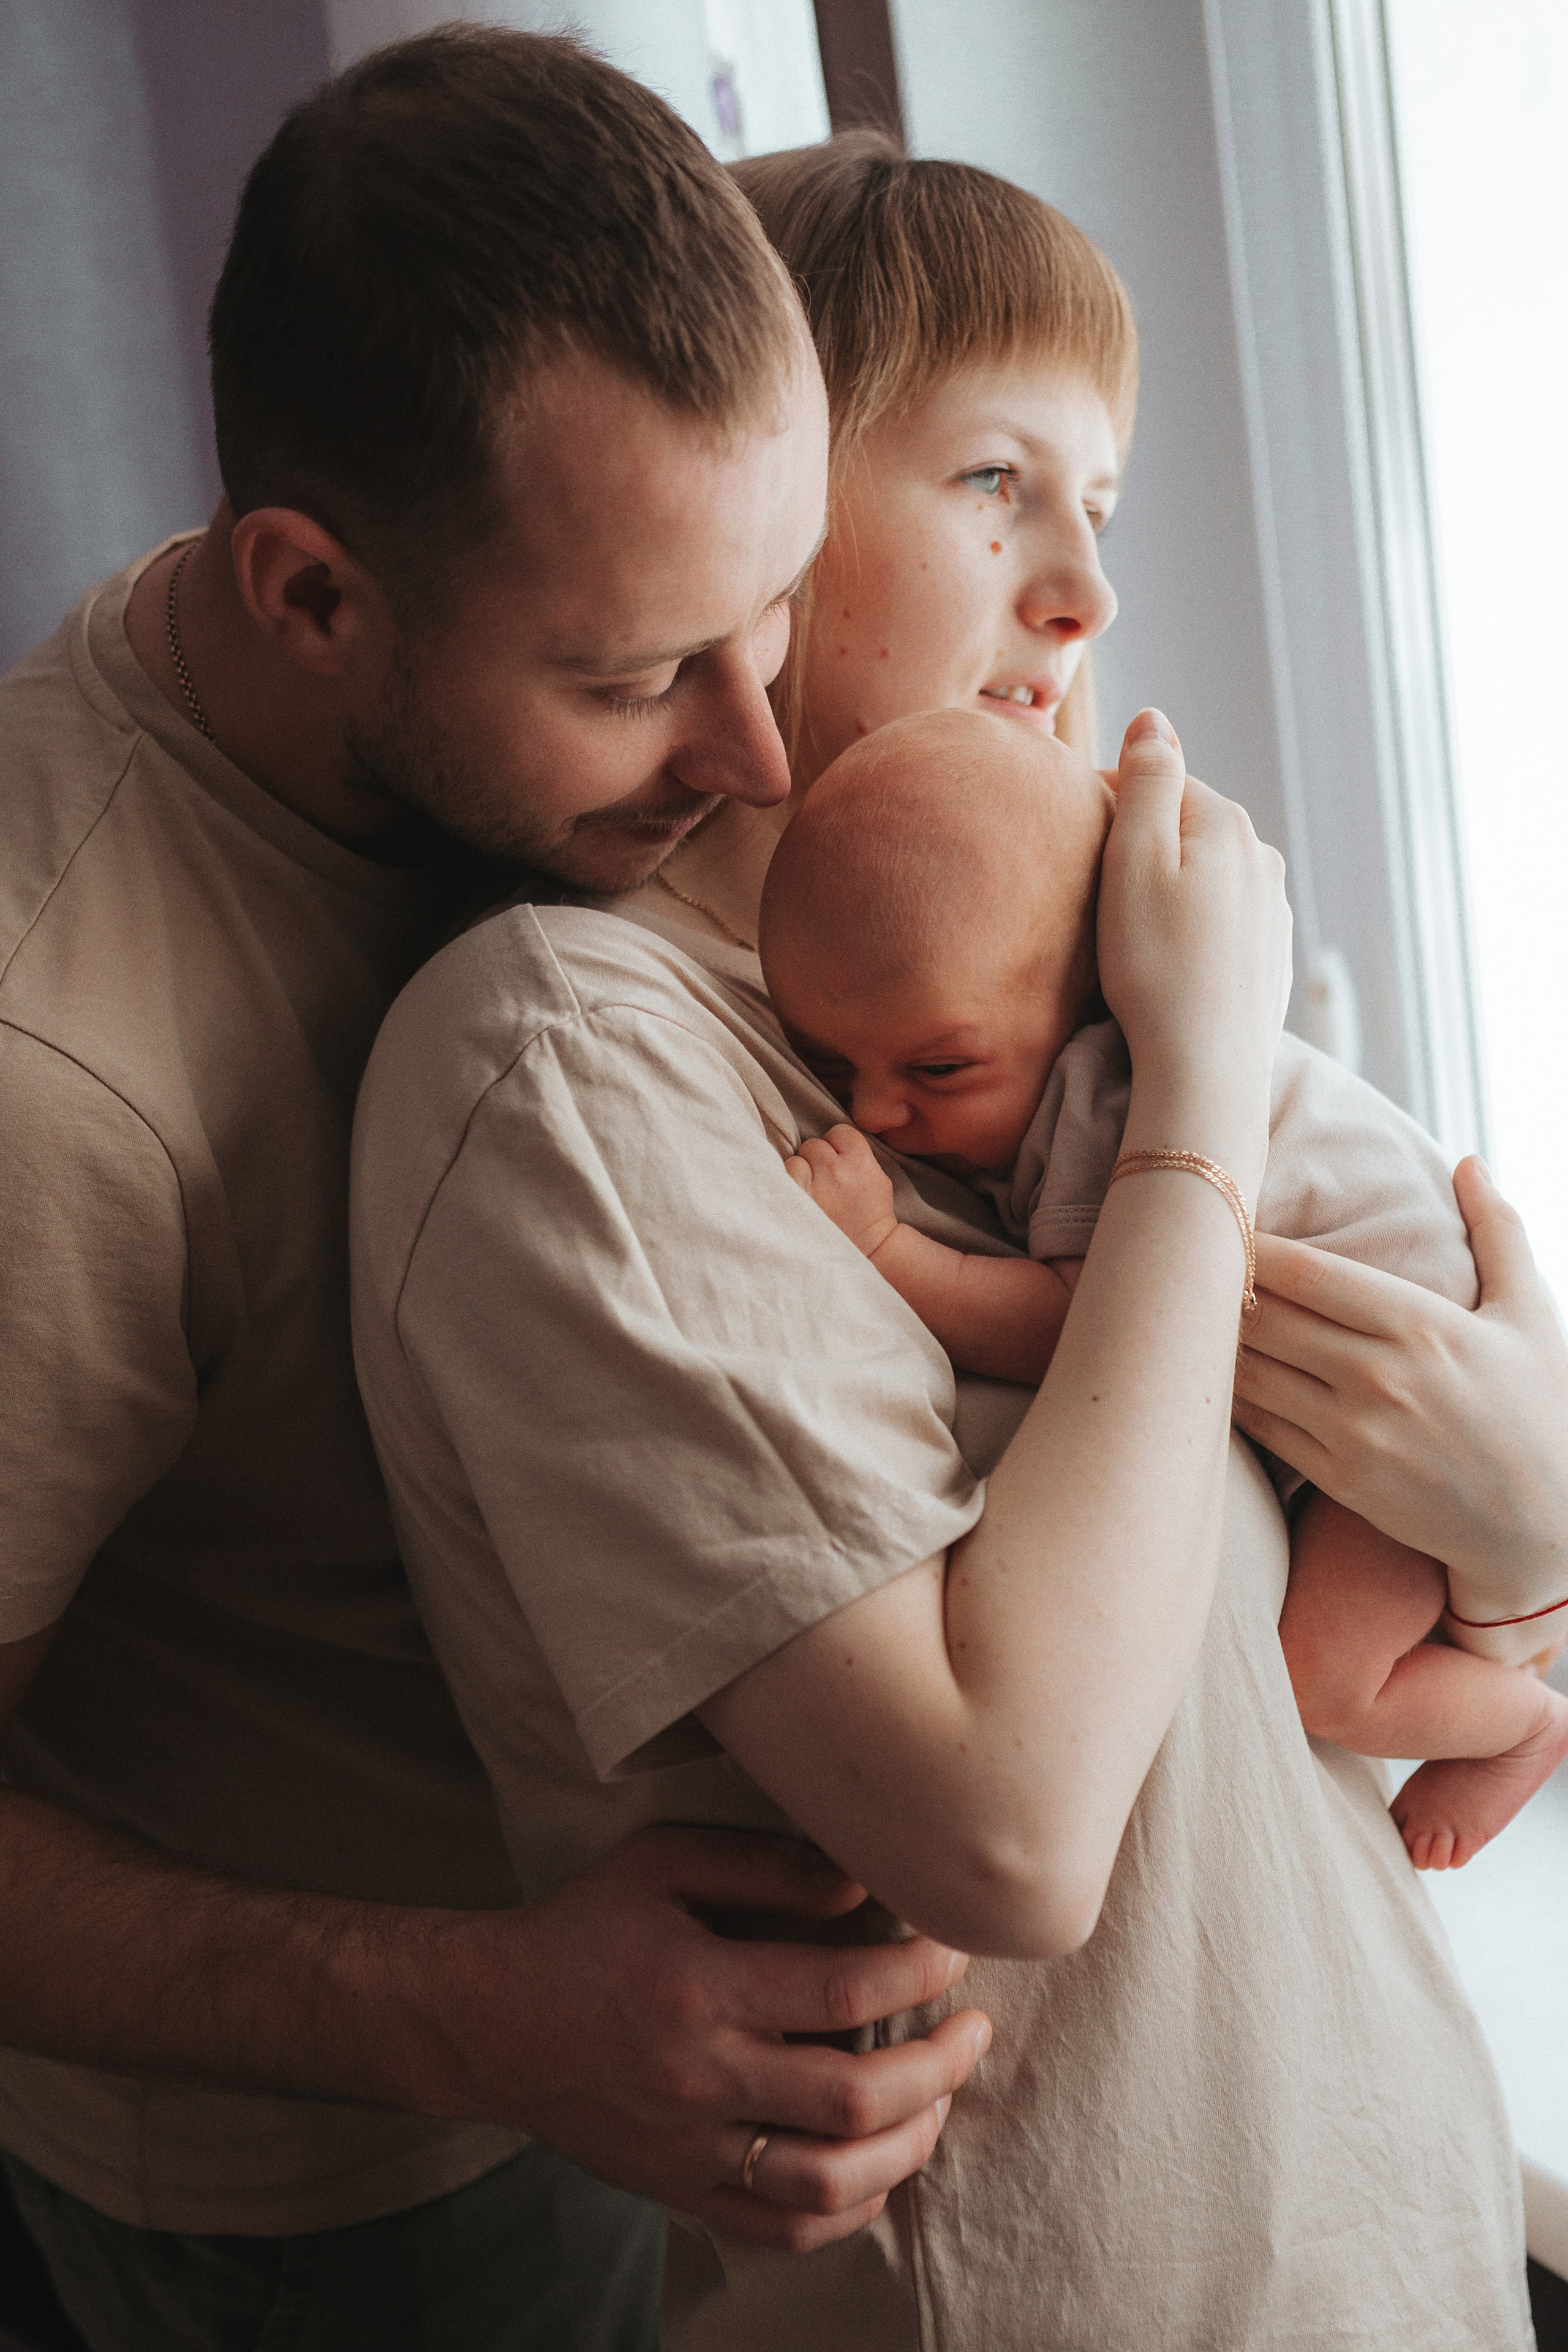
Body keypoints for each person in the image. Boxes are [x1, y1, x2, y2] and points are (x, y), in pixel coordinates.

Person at [348, 137, 1566, 2347]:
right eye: (999, 483)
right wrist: (1200, 1091)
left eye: (1101, 501)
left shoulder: (1059, 1025)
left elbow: (1289, 1667)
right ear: (762, 496)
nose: (1089, 588)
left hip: (1395, 2246)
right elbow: (1012, 1834)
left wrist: (1538, 1510)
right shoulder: (576, 1061)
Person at [0, 42, 990, 2352]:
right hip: (348, 2188)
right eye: (643, 677)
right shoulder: (56, 1079)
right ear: (315, 597)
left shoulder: (585, 695)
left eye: (779, 611)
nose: (760, 753)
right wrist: (493, 2020)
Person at [757, 704, 1568, 1874]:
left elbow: (1097, 1327)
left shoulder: (1103, 1086)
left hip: (1422, 1375)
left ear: (1089, 990)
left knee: (1321, 1681)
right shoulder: (1049, 1062)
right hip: (1404, 1381)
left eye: (937, 1068)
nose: (877, 1115)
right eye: (835, 1066)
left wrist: (891, 1254)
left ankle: (1524, 1729)